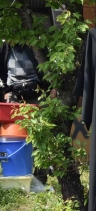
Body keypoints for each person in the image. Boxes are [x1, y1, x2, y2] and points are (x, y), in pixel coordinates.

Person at [0, 41, 57, 183]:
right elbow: (1, 69)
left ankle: (40, 175)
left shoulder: (36, 43)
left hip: (36, 90)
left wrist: (52, 88)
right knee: (13, 134)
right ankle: (15, 175)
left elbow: (49, 67)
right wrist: (6, 91)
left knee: (39, 133)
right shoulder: (5, 46)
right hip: (14, 92)